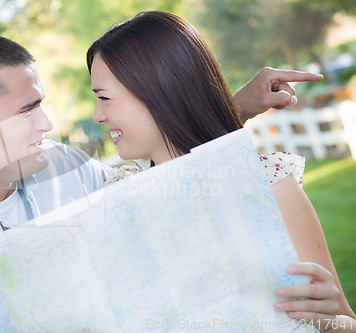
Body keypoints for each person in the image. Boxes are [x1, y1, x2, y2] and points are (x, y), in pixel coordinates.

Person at [0, 31, 323, 333]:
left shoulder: (64, 166)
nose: (48, 123)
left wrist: (226, 107)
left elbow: (165, 181)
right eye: (27, 109)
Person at [86, 11, 355, 331]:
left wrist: (328, 323)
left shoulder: (268, 185)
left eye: (104, 98)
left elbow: (345, 319)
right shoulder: (118, 195)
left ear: (157, 91)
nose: (97, 115)